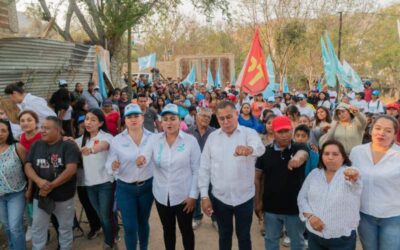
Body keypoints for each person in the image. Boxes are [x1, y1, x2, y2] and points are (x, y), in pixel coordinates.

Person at [199, 101, 265, 250]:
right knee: (224, 236)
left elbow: (260, 148)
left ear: (237, 114)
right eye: (221, 118)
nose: (226, 121)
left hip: (244, 198)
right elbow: (204, 168)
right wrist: (204, 196)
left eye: (229, 116)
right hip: (220, 198)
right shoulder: (212, 138)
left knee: (244, 237)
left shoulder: (249, 133)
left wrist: (249, 149)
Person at [136, 103, 201, 250]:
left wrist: (193, 196)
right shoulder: (154, 140)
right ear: (161, 122)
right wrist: (142, 159)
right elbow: (145, 154)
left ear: (179, 121)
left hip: (184, 197)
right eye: (165, 119)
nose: (169, 122)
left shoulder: (190, 141)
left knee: (186, 232)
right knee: (168, 231)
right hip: (161, 196)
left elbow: (197, 170)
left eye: (173, 118)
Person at [25, 116, 80, 250]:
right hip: (41, 196)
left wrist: (51, 185)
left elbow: (71, 169)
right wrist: (39, 181)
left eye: (47, 128)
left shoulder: (68, 145)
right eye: (42, 127)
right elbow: (28, 165)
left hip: (63, 196)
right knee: (38, 228)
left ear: (58, 130)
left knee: (65, 228)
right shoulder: (36, 144)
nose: (43, 131)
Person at [254, 115, 309, 250]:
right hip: (271, 207)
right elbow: (258, 178)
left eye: (287, 131)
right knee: (271, 241)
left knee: (297, 243)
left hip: (295, 208)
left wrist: (296, 160)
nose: (284, 135)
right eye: (280, 132)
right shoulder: (264, 152)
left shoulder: (299, 147)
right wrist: (258, 202)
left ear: (291, 130)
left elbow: (303, 154)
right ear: (273, 132)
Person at [105, 104, 154, 250]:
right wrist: (112, 166)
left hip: (147, 187)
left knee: (143, 222)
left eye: (136, 116)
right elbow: (109, 163)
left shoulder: (153, 138)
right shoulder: (117, 140)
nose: (133, 119)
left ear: (142, 117)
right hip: (125, 189)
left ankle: (144, 248)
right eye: (129, 117)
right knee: (130, 226)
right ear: (124, 120)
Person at [298, 140, 362, 250]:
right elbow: (302, 198)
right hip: (314, 235)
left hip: (341, 238)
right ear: (321, 156)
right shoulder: (314, 174)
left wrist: (353, 175)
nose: (330, 157)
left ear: (343, 157)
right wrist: (311, 216)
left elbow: (355, 182)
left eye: (335, 154)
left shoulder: (348, 174)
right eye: (326, 154)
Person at [349, 115, 400, 250]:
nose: (381, 133)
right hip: (364, 214)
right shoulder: (357, 152)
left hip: (393, 216)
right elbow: (350, 181)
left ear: (395, 135)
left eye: (388, 130)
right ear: (371, 130)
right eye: (378, 128)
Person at [75, 109, 115, 249]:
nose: (88, 122)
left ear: (100, 123)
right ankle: (112, 230)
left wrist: (91, 150)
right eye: (87, 119)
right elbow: (70, 145)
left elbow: (103, 146)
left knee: (104, 215)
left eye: (93, 120)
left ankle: (109, 241)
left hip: (105, 183)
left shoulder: (107, 137)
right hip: (89, 184)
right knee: (101, 214)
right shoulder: (81, 140)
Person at [187, 107, 217, 230]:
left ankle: (215, 219)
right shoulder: (188, 132)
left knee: (212, 194)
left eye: (208, 117)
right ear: (196, 117)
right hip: (192, 169)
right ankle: (197, 217)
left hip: (210, 170)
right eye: (203, 115)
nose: (205, 118)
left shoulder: (215, 133)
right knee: (195, 194)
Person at [0, 119, 27, 250]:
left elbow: (28, 168)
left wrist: (31, 188)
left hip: (16, 193)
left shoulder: (17, 147)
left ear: (9, 132)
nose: (0, 133)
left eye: (3, 130)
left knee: (15, 227)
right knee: (7, 227)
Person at [18, 110, 41, 241]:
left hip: (42, 174)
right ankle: (33, 227)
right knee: (30, 203)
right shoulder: (21, 137)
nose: (26, 123)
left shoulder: (41, 136)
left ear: (36, 122)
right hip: (27, 174)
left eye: (29, 120)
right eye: (22, 121)